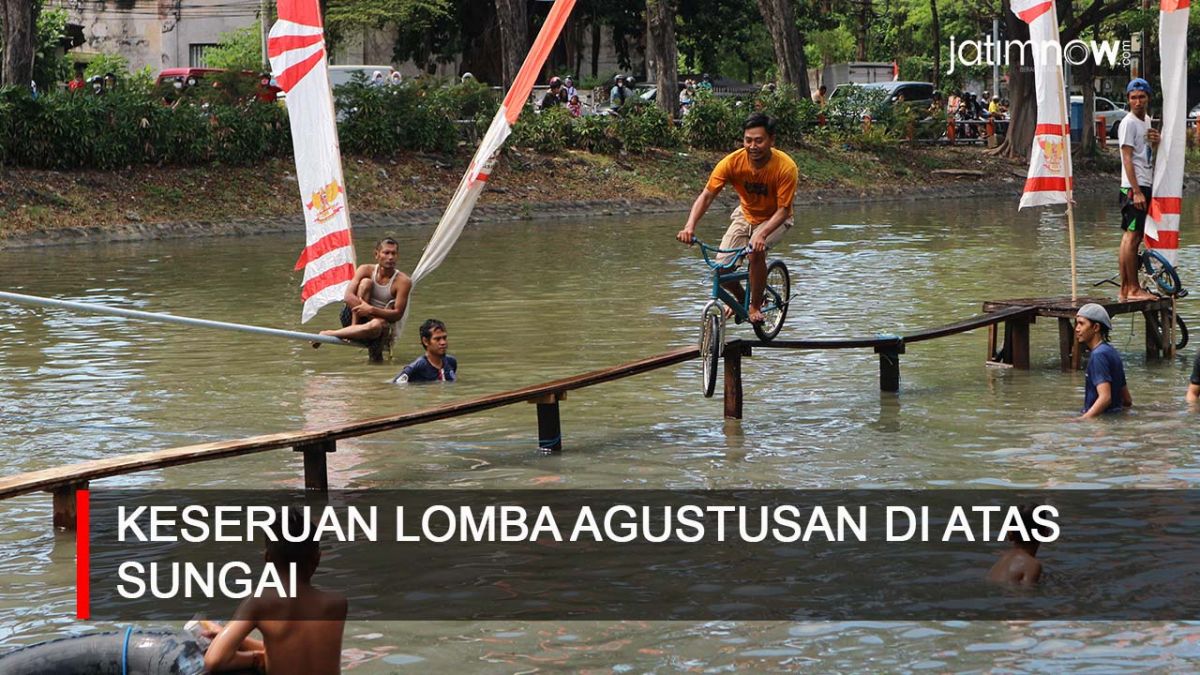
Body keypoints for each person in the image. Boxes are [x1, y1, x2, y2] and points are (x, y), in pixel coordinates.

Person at [675, 112, 798, 325]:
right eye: (748, 140)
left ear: (771, 140)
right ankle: (742, 298)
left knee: (755, 251)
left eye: (759, 140)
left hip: (775, 218)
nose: (753, 146)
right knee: (721, 269)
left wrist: (763, 234)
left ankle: (755, 306)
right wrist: (689, 227)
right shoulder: (732, 162)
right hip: (745, 214)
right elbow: (706, 196)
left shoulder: (785, 167)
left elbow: (784, 210)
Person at [203, 511, 347, 674]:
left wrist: (257, 658)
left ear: (267, 558)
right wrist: (236, 639)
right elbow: (290, 650)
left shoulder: (260, 603)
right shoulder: (337, 604)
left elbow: (213, 660)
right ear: (317, 558)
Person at [317, 237, 412, 346]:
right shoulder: (365, 269)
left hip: (379, 324)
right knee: (366, 283)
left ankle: (330, 333)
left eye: (393, 254)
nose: (390, 257)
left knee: (376, 328)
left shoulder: (403, 281)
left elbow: (397, 314)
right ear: (377, 255)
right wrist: (365, 309)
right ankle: (353, 327)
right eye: (386, 253)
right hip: (354, 316)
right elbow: (348, 297)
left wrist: (371, 310)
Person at [1117, 78, 1162, 302]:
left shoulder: (1145, 120)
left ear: (1148, 98)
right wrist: (1135, 191)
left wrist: (1157, 141)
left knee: (1132, 237)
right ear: (1128, 100)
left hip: (1144, 182)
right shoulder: (1128, 123)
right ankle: (1132, 288)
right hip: (1133, 187)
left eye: (1141, 97)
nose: (1137, 101)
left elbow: (1145, 154)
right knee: (1131, 237)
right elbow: (1127, 158)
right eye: (1133, 98)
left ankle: (1126, 289)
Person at [1075, 303, 1132, 420]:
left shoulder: (1098, 355)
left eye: (1081, 323)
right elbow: (1127, 400)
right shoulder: (1111, 352)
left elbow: (1105, 398)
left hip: (1100, 425)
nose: (1077, 328)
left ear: (1096, 327)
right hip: (1114, 421)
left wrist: (1081, 420)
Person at [986, 505, 1048, 586]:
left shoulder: (1003, 559)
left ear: (1009, 534)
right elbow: (1027, 593)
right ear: (1046, 533)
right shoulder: (1032, 565)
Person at [393, 319, 457, 384]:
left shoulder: (451, 362)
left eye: (444, 338)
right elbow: (395, 385)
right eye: (437, 339)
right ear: (425, 341)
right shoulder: (417, 367)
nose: (443, 342)